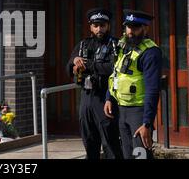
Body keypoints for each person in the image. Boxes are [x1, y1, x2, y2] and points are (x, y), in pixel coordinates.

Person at [104, 9, 162, 159]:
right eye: (128, 27)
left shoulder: (150, 52)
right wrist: (109, 98)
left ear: (145, 28)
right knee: (127, 155)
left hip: (139, 112)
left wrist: (147, 123)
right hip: (121, 109)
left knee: (140, 155)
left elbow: (153, 90)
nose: (131, 31)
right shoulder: (123, 46)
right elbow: (116, 74)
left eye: (136, 28)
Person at [66, 8, 122, 159]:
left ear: (108, 26)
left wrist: (90, 65)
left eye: (102, 25)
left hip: (105, 97)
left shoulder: (115, 45)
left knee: (110, 141)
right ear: (90, 26)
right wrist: (74, 64)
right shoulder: (83, 44)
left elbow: (113, 68)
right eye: (95, 25)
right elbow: (70, 66)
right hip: (86, 96)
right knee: (89, 140)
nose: (99, 29)